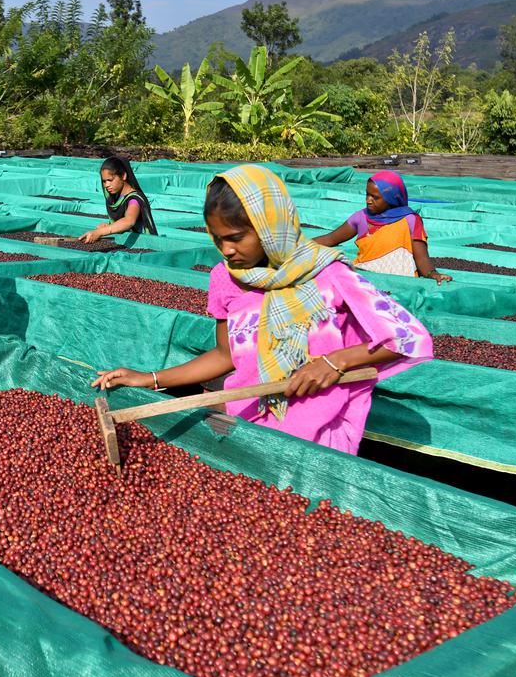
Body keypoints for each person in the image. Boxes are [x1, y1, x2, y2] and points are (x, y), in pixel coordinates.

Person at [93, 164, 432, 455]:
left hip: (314, 440)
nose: (226, 250)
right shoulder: (224, 278)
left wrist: (335, 361)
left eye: (236, 237)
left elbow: (408, 338)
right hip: (247, 428)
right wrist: (151, 378)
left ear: (270, 225)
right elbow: (225, 355)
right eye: (218, 238)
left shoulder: (327, 273)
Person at [312, 170, 451, 283]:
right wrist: (301, 245)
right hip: (364, 278)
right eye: (367, 194)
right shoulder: (361, 217)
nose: (368, 200)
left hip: (401, 282)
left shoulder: (410, 220)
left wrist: (432, 274)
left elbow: (422, 258)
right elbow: (331, 239)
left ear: (392, 198)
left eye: (375, 197)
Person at [79, 156, 158, 243]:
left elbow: (129, 221)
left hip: (146, 244)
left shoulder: (134, 200)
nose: (107, 185)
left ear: (123, 176)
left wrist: (100, 232)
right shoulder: (116, 198)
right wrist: (108, 226)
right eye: (104, 181)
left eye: (110, 180)